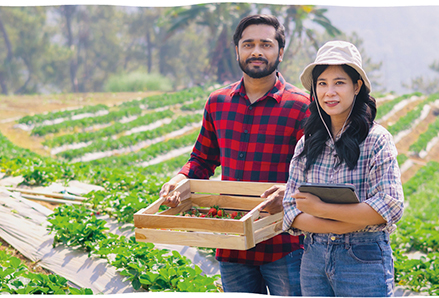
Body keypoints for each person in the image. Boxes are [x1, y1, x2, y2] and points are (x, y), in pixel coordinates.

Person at [159, 14, 310, 295]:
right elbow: (202, 160)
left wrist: (289, 191)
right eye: (248, 44)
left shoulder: (300, 106)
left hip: (284, 243)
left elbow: (316, 174)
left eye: (266, 44)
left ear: (280, 52)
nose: (256, 51)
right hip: (232, 243)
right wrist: (180, 179)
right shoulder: (218, 103)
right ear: (237, 50)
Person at [282, 40, 404, 297]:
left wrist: (321, 210)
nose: (329, 92)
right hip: (313, 258)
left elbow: (389, 205)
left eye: (339, 82)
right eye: (322, 83)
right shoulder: (309, 141)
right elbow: (291, 210)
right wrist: (341, 223)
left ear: (357, 86)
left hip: (362, 258)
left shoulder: (376, 139)